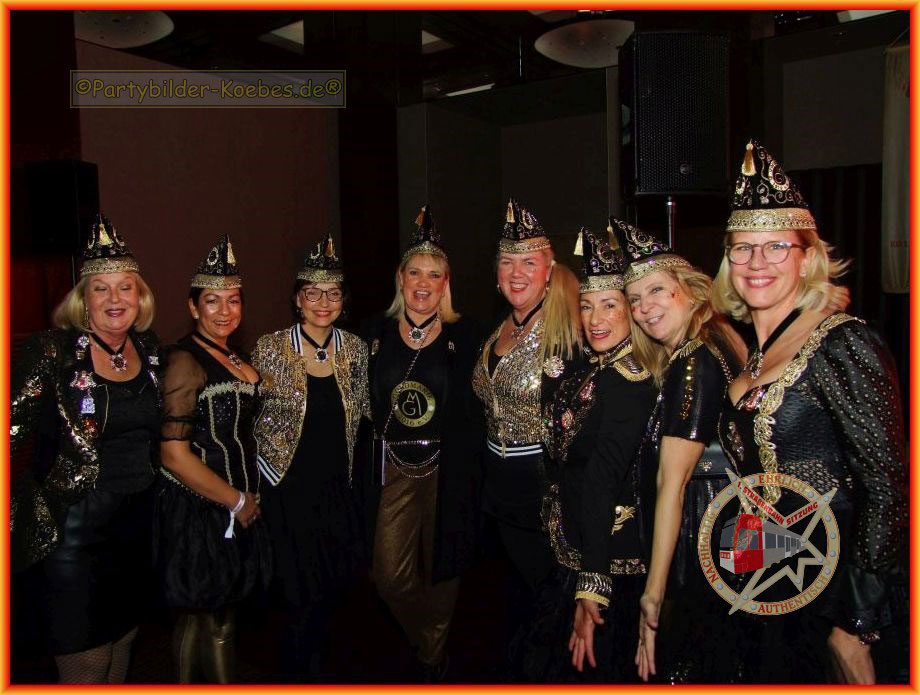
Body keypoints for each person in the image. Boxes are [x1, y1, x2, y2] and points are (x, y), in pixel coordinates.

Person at [708, 140, 907, 683]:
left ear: (807, 257)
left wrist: (857, 623)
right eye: (743, 249)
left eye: (777, 246)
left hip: (831, 594)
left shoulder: (843, 344)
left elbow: (890, 487)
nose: (757, 263)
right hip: (766, 580)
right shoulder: (755, 353)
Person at [10, 215, 161, 683]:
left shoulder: (150, 350)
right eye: (101, 289)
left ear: (140, 297)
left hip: (135, 525)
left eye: (125, 288)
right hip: (72, 532)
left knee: (123, 644)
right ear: (84, 299)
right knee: (87, 660)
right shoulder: (52, 351)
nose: (115, 299)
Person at [512, 225, 657, 682]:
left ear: (632, 310)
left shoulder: (630, 381)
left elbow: (603, 481)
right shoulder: (597, 367)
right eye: (588, 305)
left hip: (607, 561)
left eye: (609, 305)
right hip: (572, 547)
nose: (596, 318)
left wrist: (592, 587)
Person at [612, 217, 745, 683]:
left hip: (700, 544)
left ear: (688, 291)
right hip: (726, 539)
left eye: (656, 291)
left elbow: (673, 482)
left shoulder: (694, 361)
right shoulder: (714, 341)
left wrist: (652, 593)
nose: (643, 308)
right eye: (634, 299)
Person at [363, 206, 484, 682]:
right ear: (400, 278)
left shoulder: (467, 335)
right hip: (394, 466)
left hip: (447, 467)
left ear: (446, 283)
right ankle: (429, 639)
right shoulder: (372, 333)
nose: (423, 283)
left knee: (444, 571)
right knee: (389, 577)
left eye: (434, 275)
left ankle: (432, 660)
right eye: (415, 272)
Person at [154, 235, 271, 683]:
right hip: (200, 506)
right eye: (212, 301)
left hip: (237, 503)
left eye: (233, 300)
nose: (225, 311)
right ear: (192, 307)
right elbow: (172, 454)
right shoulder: (184, 361)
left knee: (212, 617)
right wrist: (235, 500)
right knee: (210, 618)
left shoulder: (235, 356)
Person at [252, 233, 368, 682]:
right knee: (295, 599)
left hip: (338, 492)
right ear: (297, 299)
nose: (323, 302)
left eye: (333, 293)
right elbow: (248, 418)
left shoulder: (355, 349)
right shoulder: (270, 347)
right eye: (313, 293)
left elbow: (370, 412)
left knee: (331, 596)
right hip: (285, 491)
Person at [471, 198, 583, 650]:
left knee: (550, 613)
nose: (517, 273)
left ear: (549, 270)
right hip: (499, 495)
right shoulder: (498, 328)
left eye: (529, 263)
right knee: (514, 611)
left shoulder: (569, 329)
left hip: (544, 496)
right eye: (507, 262)